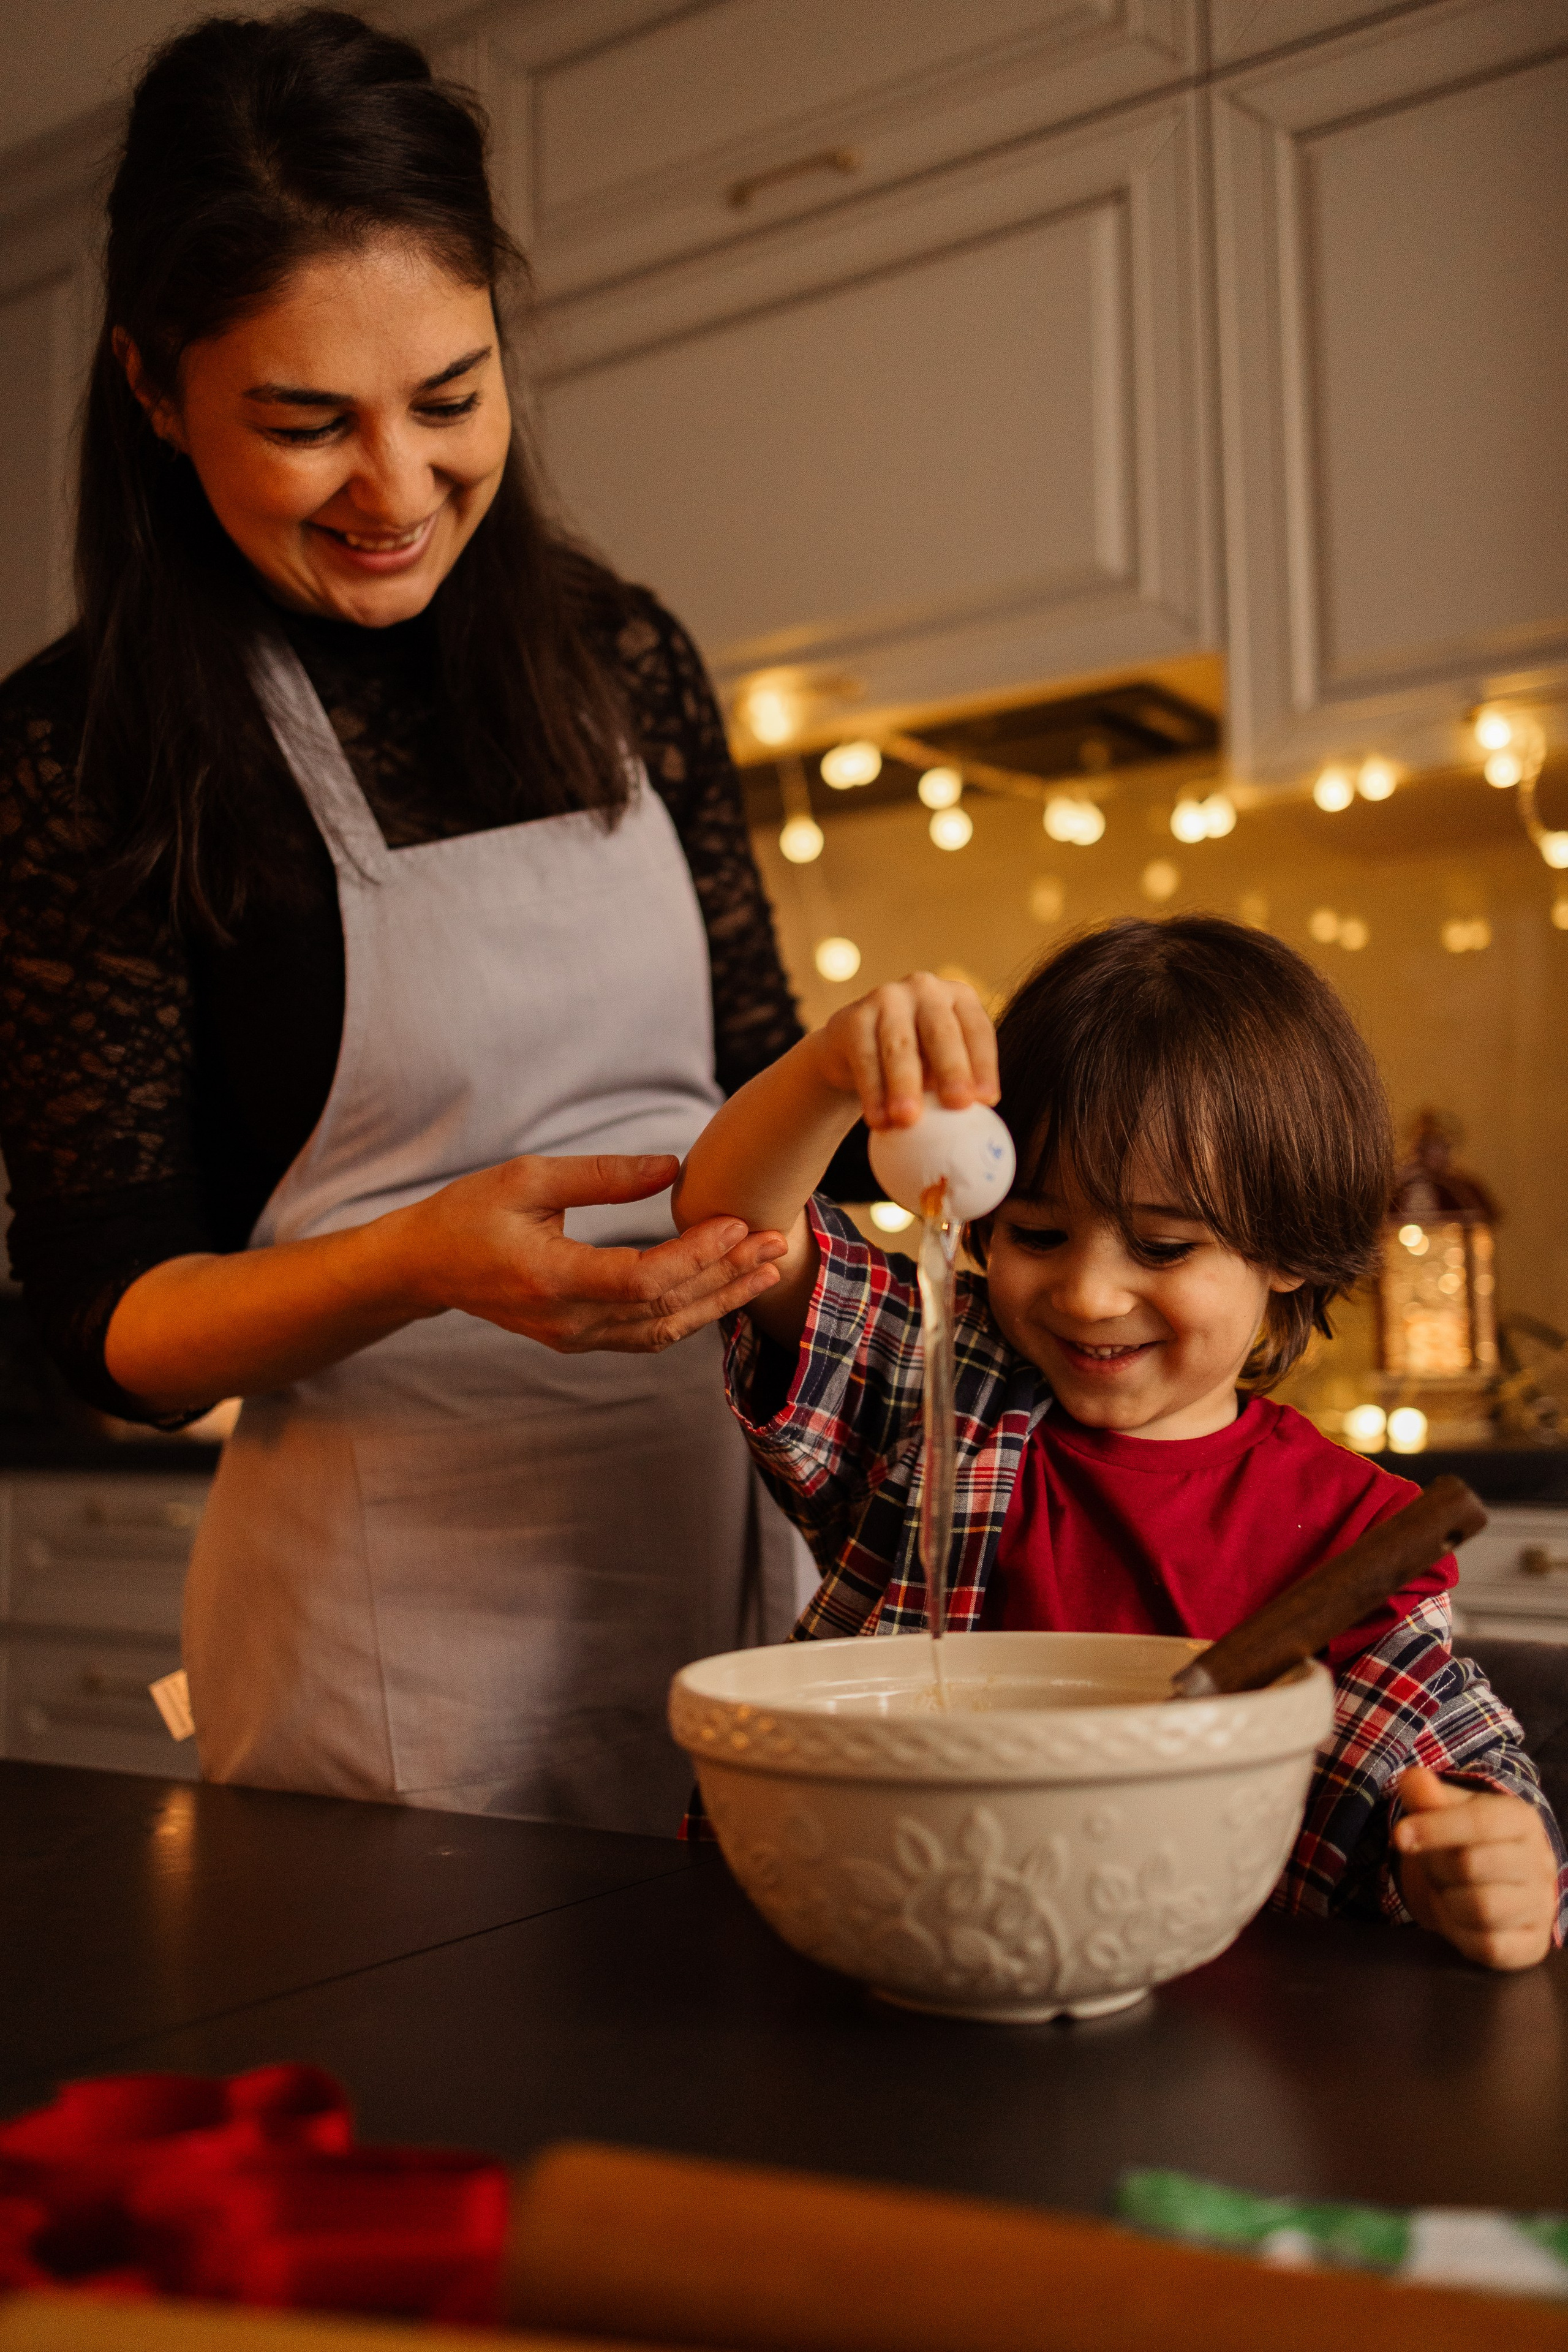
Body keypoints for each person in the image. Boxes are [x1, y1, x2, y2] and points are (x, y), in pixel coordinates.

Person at [0, 7, 846, 1836]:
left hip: (726, 1572)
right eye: (308, 425)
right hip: (387, 1655)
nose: (395, 492)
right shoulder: (93, 751)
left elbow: (757, 1082)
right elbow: (102, 1320)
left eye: (450, 400)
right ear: (154, 390)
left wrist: (874, 1090)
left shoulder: (623, 658)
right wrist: (416, 1261)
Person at [673, 918, 1567, 1967]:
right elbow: (734, 1230)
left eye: (1162, 1245)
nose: (1091, 1294)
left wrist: (1491, 1860)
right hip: (887, 1952)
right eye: (1039, 1233)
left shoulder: (1353, 1531)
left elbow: (1453, 1773)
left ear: (1283, 1247)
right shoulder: (944, 1387)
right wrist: (832, 1067)